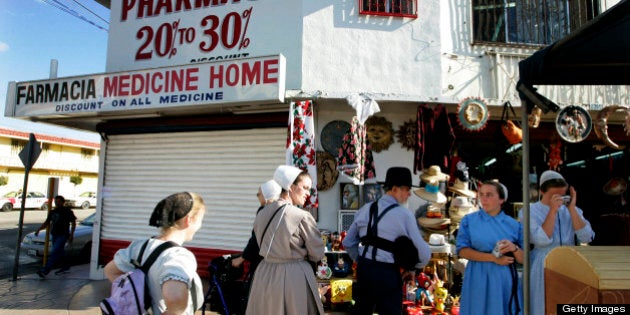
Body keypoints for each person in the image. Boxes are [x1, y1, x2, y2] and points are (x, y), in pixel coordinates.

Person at [342, 166, 431, 315]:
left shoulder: (365, 209)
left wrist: (362, 260)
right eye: (406, 189)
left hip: (365, 271)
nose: (409, 194)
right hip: (388, 274)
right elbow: (424, 254)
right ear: (395, 189)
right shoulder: (404, 215)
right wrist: (411, 268)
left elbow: (348, 242)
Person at [104, 192, 206, 315]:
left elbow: (110, 271)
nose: (201, 225)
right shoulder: (179, 256)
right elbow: (176, 300)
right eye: (201, 220)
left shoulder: (139, 246)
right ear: (188, 220)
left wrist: (135, 297)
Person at [245, 165, 325, 315]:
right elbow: (317, 253)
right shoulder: (301, 216)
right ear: (290, 186)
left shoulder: (262, 213)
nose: (308, 193)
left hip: (264, 273)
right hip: (293, 277)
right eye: (305, 188)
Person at [518, 170, 594, 315]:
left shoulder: (573, 210)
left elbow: (586, 237)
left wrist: (571, 209)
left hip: (569, 262)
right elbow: (541, 239)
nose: (559, 199)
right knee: (543, 305)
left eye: (562, 195)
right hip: (543, 263)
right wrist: (552, 211)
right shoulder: (529, 211)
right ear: (541, 192)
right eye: (554, 196)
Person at [456, 180, 523, 315]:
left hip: (503, 278)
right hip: (477, 275)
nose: (484, 199)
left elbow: (524, 259)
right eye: (481, 194)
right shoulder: (469, 220)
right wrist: (493, 258)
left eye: (489, 195)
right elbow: (462, 250)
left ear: (501, 199)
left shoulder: (514, 225)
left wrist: (514, 248)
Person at [231, 179, 282, 274]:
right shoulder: (282, 210)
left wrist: (241, 258)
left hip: (262, 263)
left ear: (266, 195)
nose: (258, 197)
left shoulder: (264, 212)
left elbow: (256, 239)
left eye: (258, 194)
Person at [36, 195, 77, 278]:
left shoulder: (67, 211)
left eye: (58, 201)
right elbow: (47, 222)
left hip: (63, 234)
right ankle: (65, 267)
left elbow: (73, 223)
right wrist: (39, 229)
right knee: (59, 252)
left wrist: (71, 235)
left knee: (55, 251)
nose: (57, 203)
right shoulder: (53, 212)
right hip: (55, 234)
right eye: (56, 201)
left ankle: (45, 270)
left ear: (63, 202)